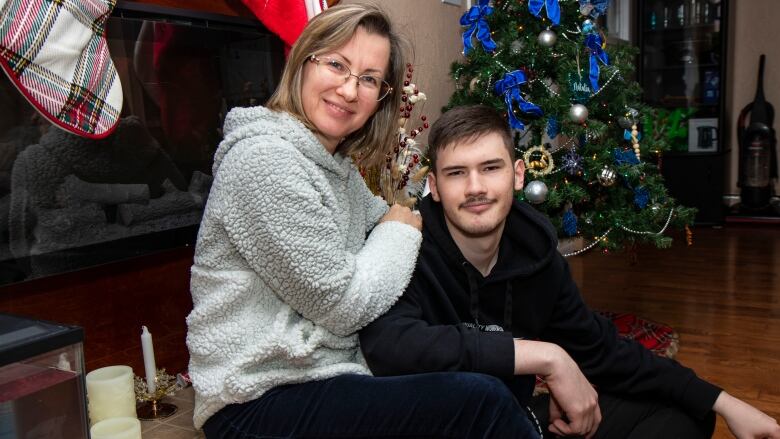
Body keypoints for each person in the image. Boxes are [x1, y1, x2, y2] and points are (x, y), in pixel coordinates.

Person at [186, 6, 541, 439]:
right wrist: (397, 228)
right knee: (480, 400)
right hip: (258, 399)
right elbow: (344, 303)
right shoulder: (264, 161)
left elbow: (407, 229)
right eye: (336, 64)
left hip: (329, 375)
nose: (350, 90)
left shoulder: (334, 169)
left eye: (369, 79)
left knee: (503, 379)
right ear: (302, 63)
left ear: (380, 99)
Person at [360, 104, 780, 439]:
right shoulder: (407, 247)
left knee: (686, 416)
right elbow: (391, 345)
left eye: (490, 167)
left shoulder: (536, 257)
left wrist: (723, 401)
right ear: (434, 185)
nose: (475, 188)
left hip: (520, 420)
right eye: (457, 173)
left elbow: (603, 349)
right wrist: (546, 356)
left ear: (518, 175)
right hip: (441, 423)